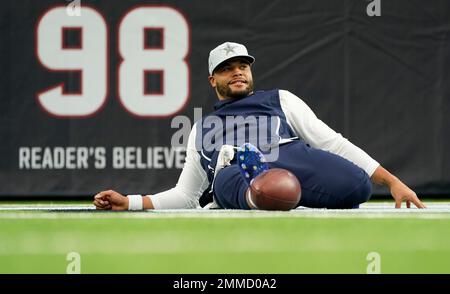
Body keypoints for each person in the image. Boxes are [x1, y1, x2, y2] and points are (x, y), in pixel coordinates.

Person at [93, 42, 425, 211]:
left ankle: (278, 194)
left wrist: (392, 182)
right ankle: (257, 192)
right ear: (213, 80)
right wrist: (131, 202)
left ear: (250, 72)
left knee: (358, 188)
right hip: (233, 166)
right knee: (231, 178)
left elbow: (333, 143)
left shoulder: (280, 99)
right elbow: (186, 195)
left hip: (290, 153)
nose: (237, 72)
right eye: (226, 69)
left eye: (242, 66)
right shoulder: (202, 127)